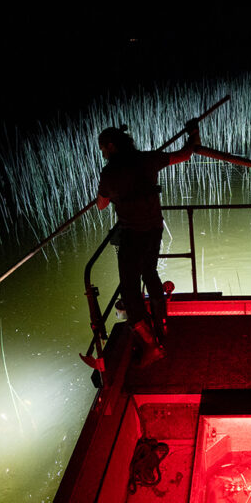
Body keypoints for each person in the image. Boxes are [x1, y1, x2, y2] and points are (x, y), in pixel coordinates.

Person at [96, 121, 199, 366]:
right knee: (150, 273)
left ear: (111, 146)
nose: (103, 154)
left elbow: (101, 204)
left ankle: (152, 346)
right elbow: (186, 154)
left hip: (132, 235)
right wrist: (193, 133)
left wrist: (110, 194)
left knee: (129, 291)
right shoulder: (148, 159)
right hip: (154, 229)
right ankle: (162, 326)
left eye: (103, 149)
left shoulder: (110, 173)